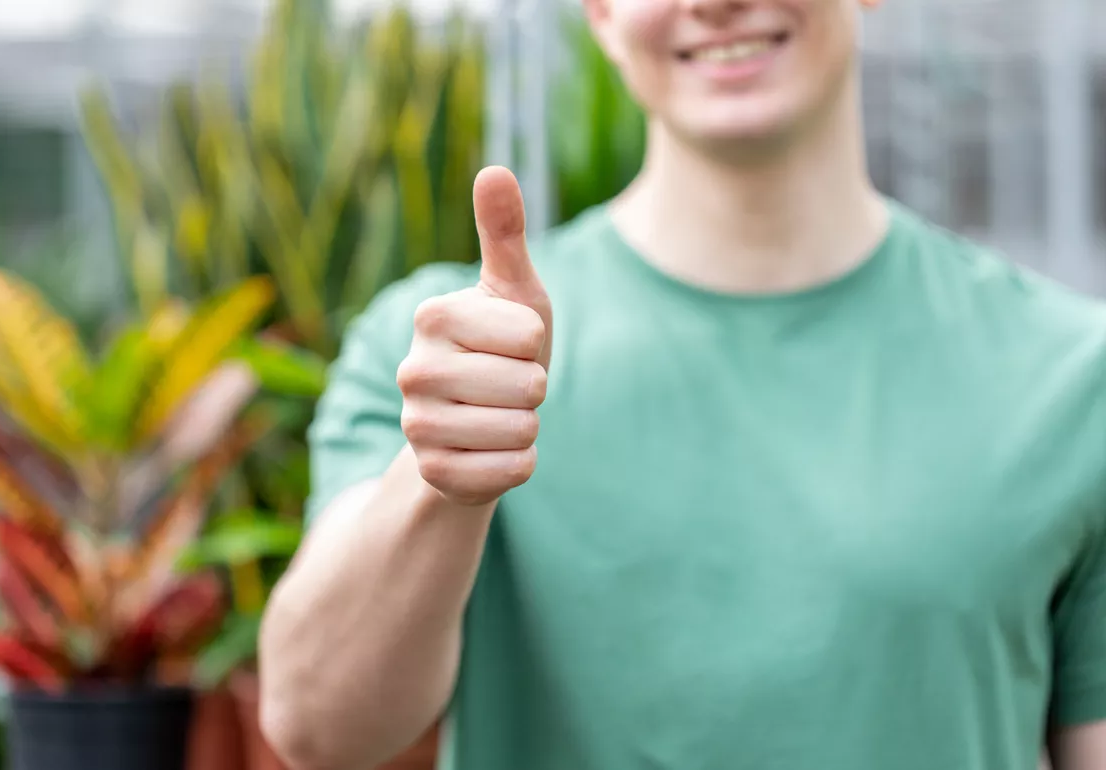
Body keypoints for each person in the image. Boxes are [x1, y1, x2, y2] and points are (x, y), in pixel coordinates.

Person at [257, 1, 1106, 768]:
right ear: (600, 13)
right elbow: (317, 729)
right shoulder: (445, 356)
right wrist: (439, 477)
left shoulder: (1073, 376)